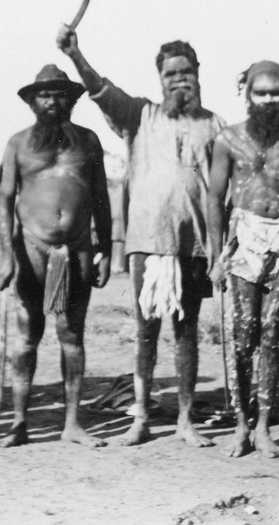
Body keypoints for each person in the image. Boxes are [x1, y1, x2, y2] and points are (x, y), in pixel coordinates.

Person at [57, 25, 225, 447]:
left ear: (198, 74)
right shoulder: (140, 115)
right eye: (170, 74)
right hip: (146, 243)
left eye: (186, 71)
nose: (179, 79)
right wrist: (76, 54)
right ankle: (141, 419)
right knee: (145, 332)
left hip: (194, 246)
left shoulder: (217, 126)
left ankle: (186, 419)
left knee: (186, 332)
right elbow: (99, 89)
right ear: (160, 79)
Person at [0, 64, 111, 448]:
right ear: (32, 101)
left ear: (72, 100)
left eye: (61, 94)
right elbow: (4, 202)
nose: (52, 101)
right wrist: (6, 255)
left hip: (76, 249)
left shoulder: (89, 142)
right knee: (28, 335)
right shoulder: (17, 143)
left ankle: (73, 423)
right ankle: (19, 423)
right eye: (45, 94)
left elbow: (101, 200)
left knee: (71, 334)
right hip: (31, 248)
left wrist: (106, 249)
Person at [207, 61, 279, 457]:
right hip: (243, 241)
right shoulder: (228, 139)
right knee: (243, 334)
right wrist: (214, 254)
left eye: (276, 92)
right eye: (261, 92)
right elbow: (215, 198)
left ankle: (265, 428)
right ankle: (240, 425)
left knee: (271, 335)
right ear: (247, 95)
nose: (269, 100)